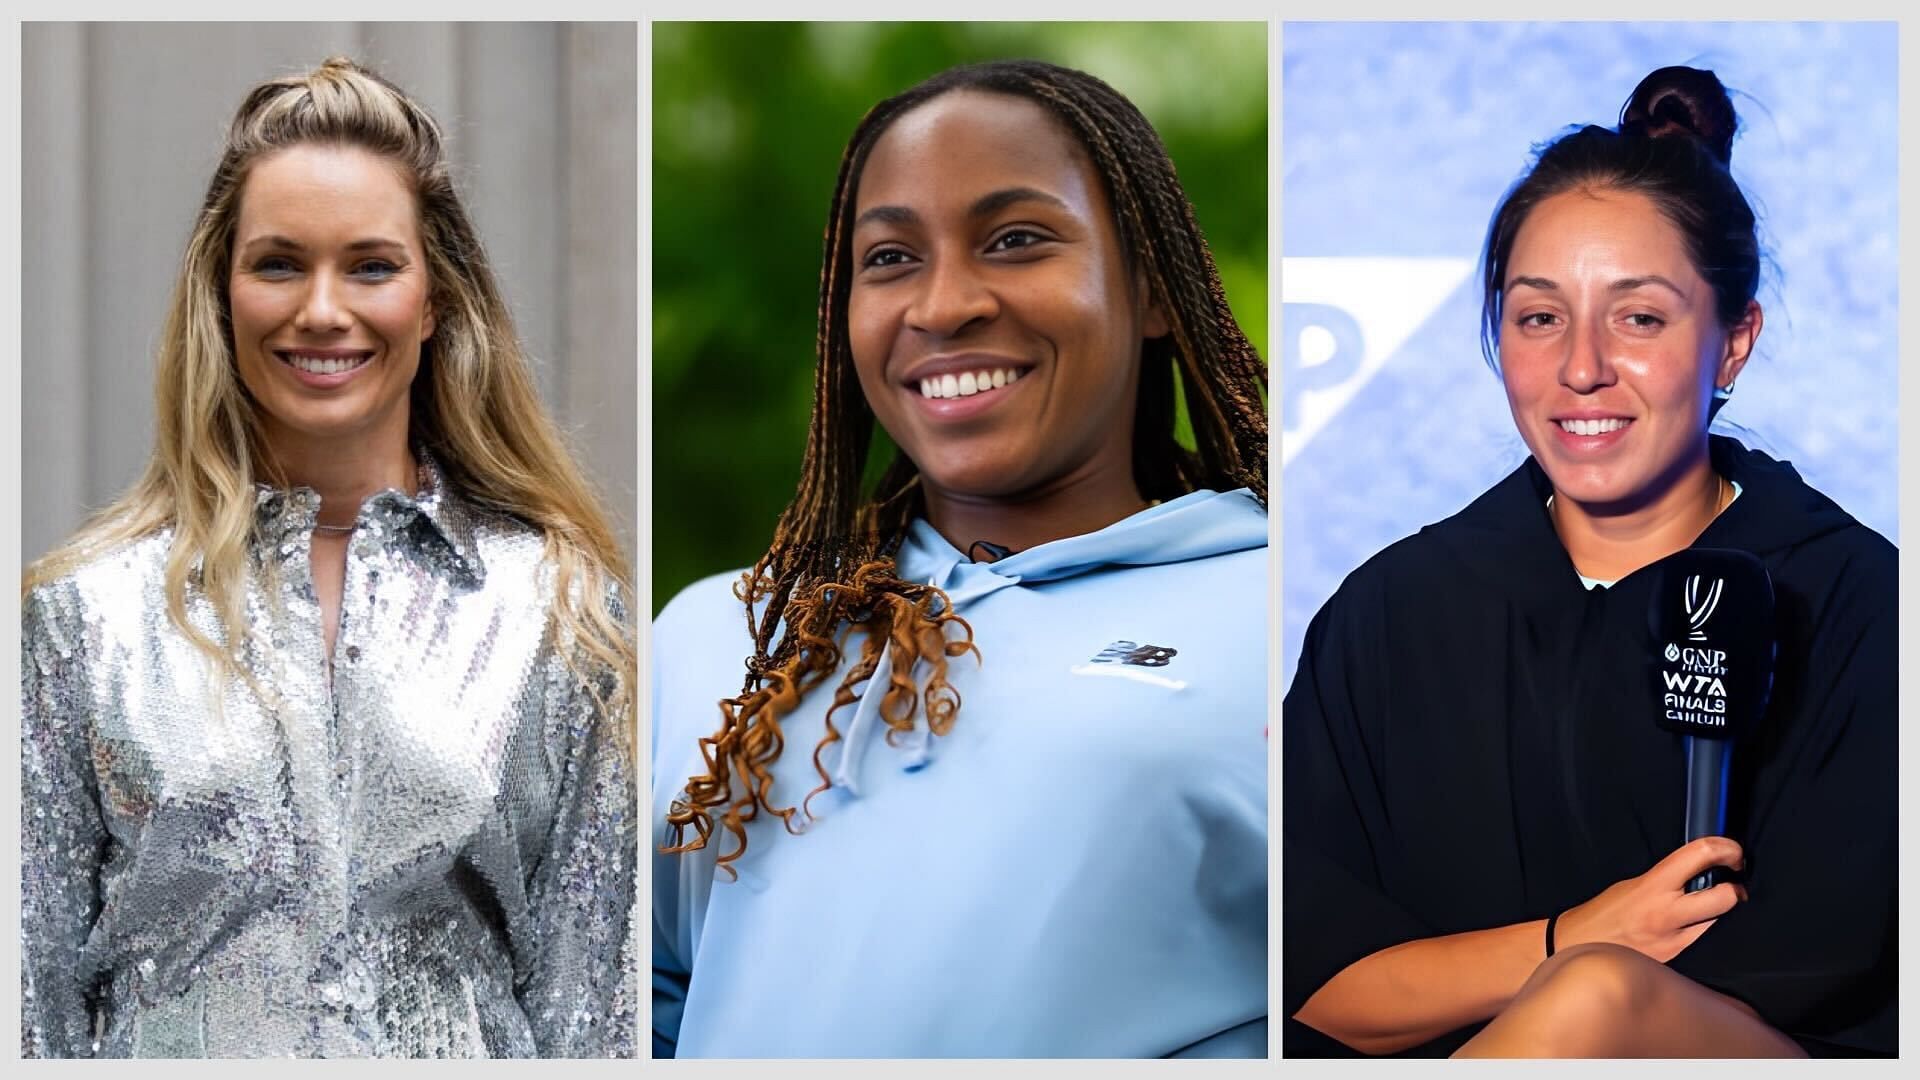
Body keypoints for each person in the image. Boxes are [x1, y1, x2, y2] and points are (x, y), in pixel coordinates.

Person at [650, 59, 1270, 1058]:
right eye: (890, 258)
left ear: (1152, 289)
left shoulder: (1292, 612)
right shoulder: (725, 631)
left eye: (1016, 240)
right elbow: (636, 1002)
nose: (943, 304)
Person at [20, 58, 637, 1058]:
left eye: (371, 266)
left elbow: (596, 1010)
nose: (321, 309)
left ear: (436, 301)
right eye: (277, 264)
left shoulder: (559, 608)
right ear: (221, 296)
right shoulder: (82, 617)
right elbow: (27, 1007)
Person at [1283, 66, 1895, 1058]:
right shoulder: (1395, 610)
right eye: (1538, 317)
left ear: (1734, 341)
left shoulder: (1856, 603)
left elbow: (1808, 988)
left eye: (1639, 317)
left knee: (1602, 1002)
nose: (1581, 367)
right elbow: (1314, 980)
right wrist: (1575, 940)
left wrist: (1592, 980)